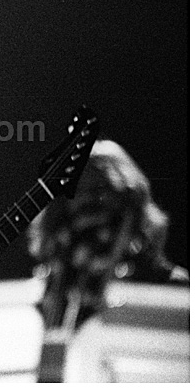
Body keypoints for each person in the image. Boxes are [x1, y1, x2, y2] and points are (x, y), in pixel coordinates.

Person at [28, 139, 188, 381]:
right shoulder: (38, 300)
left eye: (101, 201)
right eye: (78, 208)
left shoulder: (174, 291)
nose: (91, 226)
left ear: (131, 214)